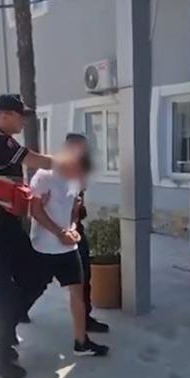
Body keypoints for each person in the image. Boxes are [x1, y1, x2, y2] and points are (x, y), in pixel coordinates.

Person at [0, 94, 57, 378]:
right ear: (4, 115)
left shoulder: (1, 142)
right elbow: (36, 160)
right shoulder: (0, 141)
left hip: (5, 221)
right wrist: (66, 163)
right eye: (20, 115)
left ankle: (3, 328)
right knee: (1, 290)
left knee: (36, 273)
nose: (23, 121)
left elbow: (12, 186)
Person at [29, 144, 110, 356]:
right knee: (29, 291)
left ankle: (81, 343)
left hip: (67, 247)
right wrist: (59, 233)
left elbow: (74, 211)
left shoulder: (75, 180)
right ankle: (5, 328)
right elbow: (35, 210)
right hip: (43, 247)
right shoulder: (44, 176)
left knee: (78, 291)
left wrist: (72, 229)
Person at [64, 133, 110, 333]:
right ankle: (15, 314)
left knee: (83, 277)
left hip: (75, 231)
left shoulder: (78, 169)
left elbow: (79, 196)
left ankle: (85, 319)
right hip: (56, 233)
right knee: (37, 280)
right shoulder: (58, 170)